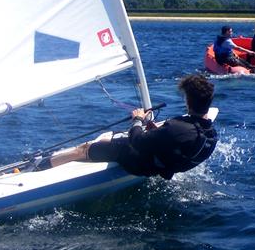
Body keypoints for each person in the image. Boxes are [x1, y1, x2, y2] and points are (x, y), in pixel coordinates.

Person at [38, 74, 218, 179]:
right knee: (108, 140)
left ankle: (39, 169)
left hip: (138, 163)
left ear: (187, 100)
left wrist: (138, 120)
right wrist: (154, 129)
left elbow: (137, 140)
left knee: (83, 149)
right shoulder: (209, 132)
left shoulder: (176, 128)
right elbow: (174, 142)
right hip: (160, 165)